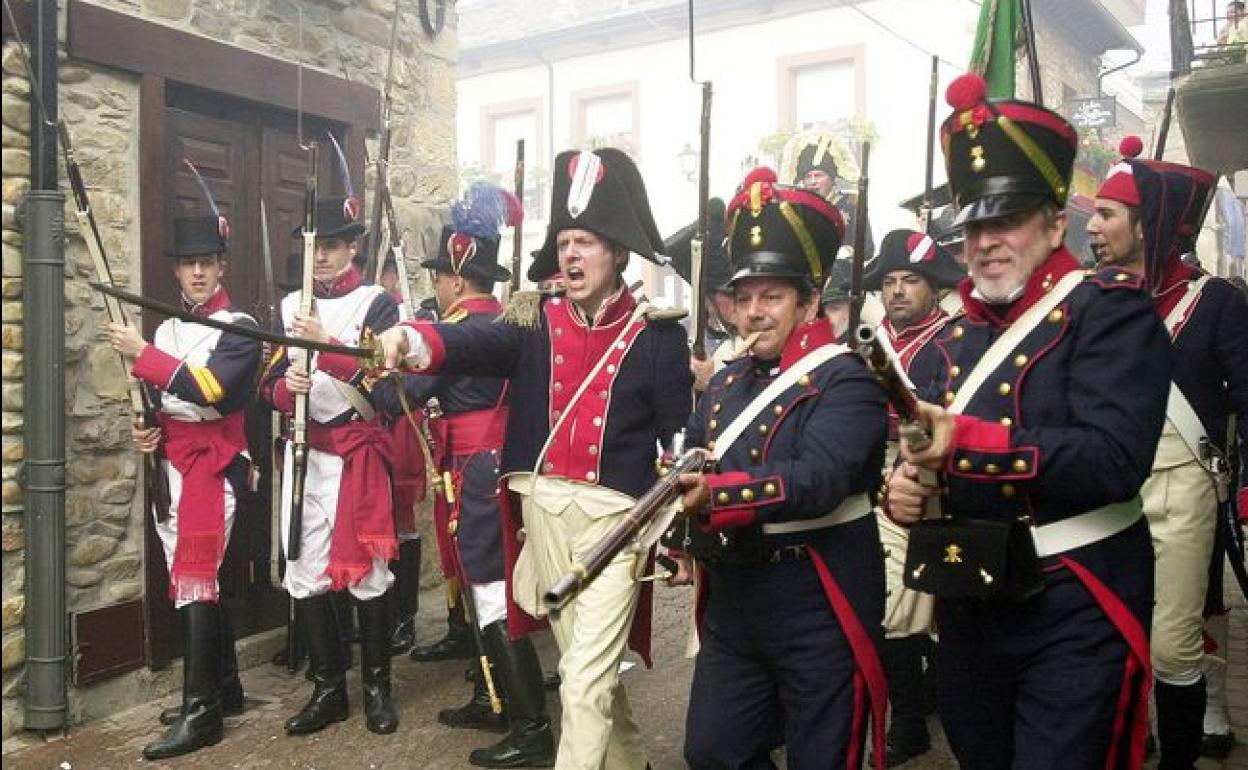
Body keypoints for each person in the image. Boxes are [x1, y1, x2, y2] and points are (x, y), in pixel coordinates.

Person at [883, 73, 1172, 770]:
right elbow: (928, 458)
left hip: (1078, 597)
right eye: (973, 225)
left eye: (1004, 219)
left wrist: (968, 445)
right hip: (971, 600)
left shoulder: (1112, 311)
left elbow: (1113, 459)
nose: (985, 241)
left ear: (1051, 221)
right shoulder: (957, 337)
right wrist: (908, 491)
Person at [379, 147, 692, 770]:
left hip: (616, 530)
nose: (572, 254)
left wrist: (678, 539)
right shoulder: (534, 322)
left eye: (588, 241)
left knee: (581, 679)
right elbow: (475, 338)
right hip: (543, 520)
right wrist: (415, 339)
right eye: (566, 240)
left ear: (618, 252)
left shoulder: (659, 336)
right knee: (590, 674)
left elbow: (678, 444)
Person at [669, 165, 887, 769]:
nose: (754, 312)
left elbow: (817, 479)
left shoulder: (846, 378)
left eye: (772, 297)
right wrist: (676, 531)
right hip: (737, 600)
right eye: (744, 299)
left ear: (809, 300)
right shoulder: (726, 382)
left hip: (817, 595)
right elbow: (693, 450)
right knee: (715, 751)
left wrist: (717, 497)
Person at [1087, 135, 1248, 770]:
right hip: (1107, 488)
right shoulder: (1094, 300)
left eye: (1107, 214)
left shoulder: (1215, 303)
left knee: (1174, 645)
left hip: (1182, 484)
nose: (1093, 227)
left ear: (1146, 224)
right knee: (1111, 633)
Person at [106, 212, 262, 760]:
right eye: (188, 264)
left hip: (213, 465)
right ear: (177, 271)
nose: (197, 272)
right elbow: (161, 400)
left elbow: (208, 389)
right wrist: (145, 427)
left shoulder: (240, 326)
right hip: (173, 460)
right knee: (194, 575)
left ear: (221, 266)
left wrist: (139, 354)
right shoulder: (169, 327)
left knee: (197, 576)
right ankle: (224, 690)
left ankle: (202, 716)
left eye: (206, 263)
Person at [261, 195, 401, 736]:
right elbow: (263, 381)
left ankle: (376, 689)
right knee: (304, 569)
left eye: (332, 247)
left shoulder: (377, 306)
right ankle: (328, 689)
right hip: (305, 451)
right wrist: (281, 390)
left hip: (357, 455)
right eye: (313, 247)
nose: (320, 258)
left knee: (369, 575)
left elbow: (385, 389)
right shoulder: (289, 306)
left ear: (352, 249)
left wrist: (328, 345)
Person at [861, 228, 964, 767]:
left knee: (942, 596)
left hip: (936, 475)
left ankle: (925, 702)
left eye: (910, 281)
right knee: (893, 602)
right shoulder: (867, 343)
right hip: (877, 478)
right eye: (890, 282)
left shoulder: (956, 341)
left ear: (933, 287)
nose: (897, 291)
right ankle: (909, 715)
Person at [790, 133, 874, 261]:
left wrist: (846, 251)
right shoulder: (798, 208)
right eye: (808, 177)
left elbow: (867, 249)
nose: (813, 181)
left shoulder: (852, 203)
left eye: (818, 175)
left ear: (831, 179)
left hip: (842, 275)